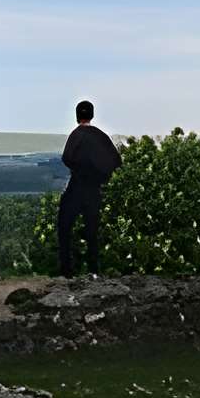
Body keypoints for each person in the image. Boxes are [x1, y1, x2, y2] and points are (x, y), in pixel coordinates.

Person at [57, 100, 121, 277]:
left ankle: (66, 271)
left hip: (77, 186)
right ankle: (94, 270)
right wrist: (101, 175)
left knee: (64, 226)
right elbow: (116, 161)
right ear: (91, 115)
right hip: (95, 189)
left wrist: (80, 169)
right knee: (92, 230)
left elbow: (67, 158)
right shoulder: (101, 136)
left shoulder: (76, 135)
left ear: (77, 116)